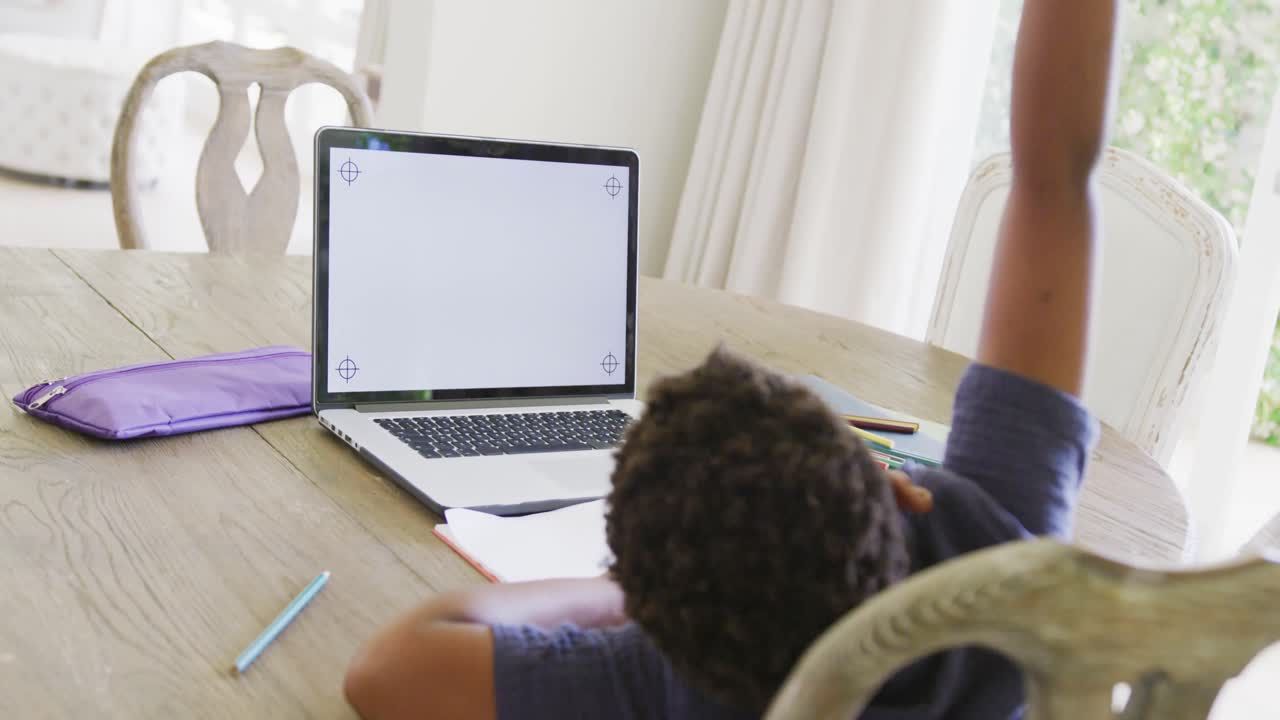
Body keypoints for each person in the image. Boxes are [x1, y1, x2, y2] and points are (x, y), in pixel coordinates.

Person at [341, 0, 1118, 717]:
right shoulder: (1008, 550)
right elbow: (1055, 177)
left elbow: (387, 669)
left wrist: (628, 600)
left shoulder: (661, 684)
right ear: (897, 487)